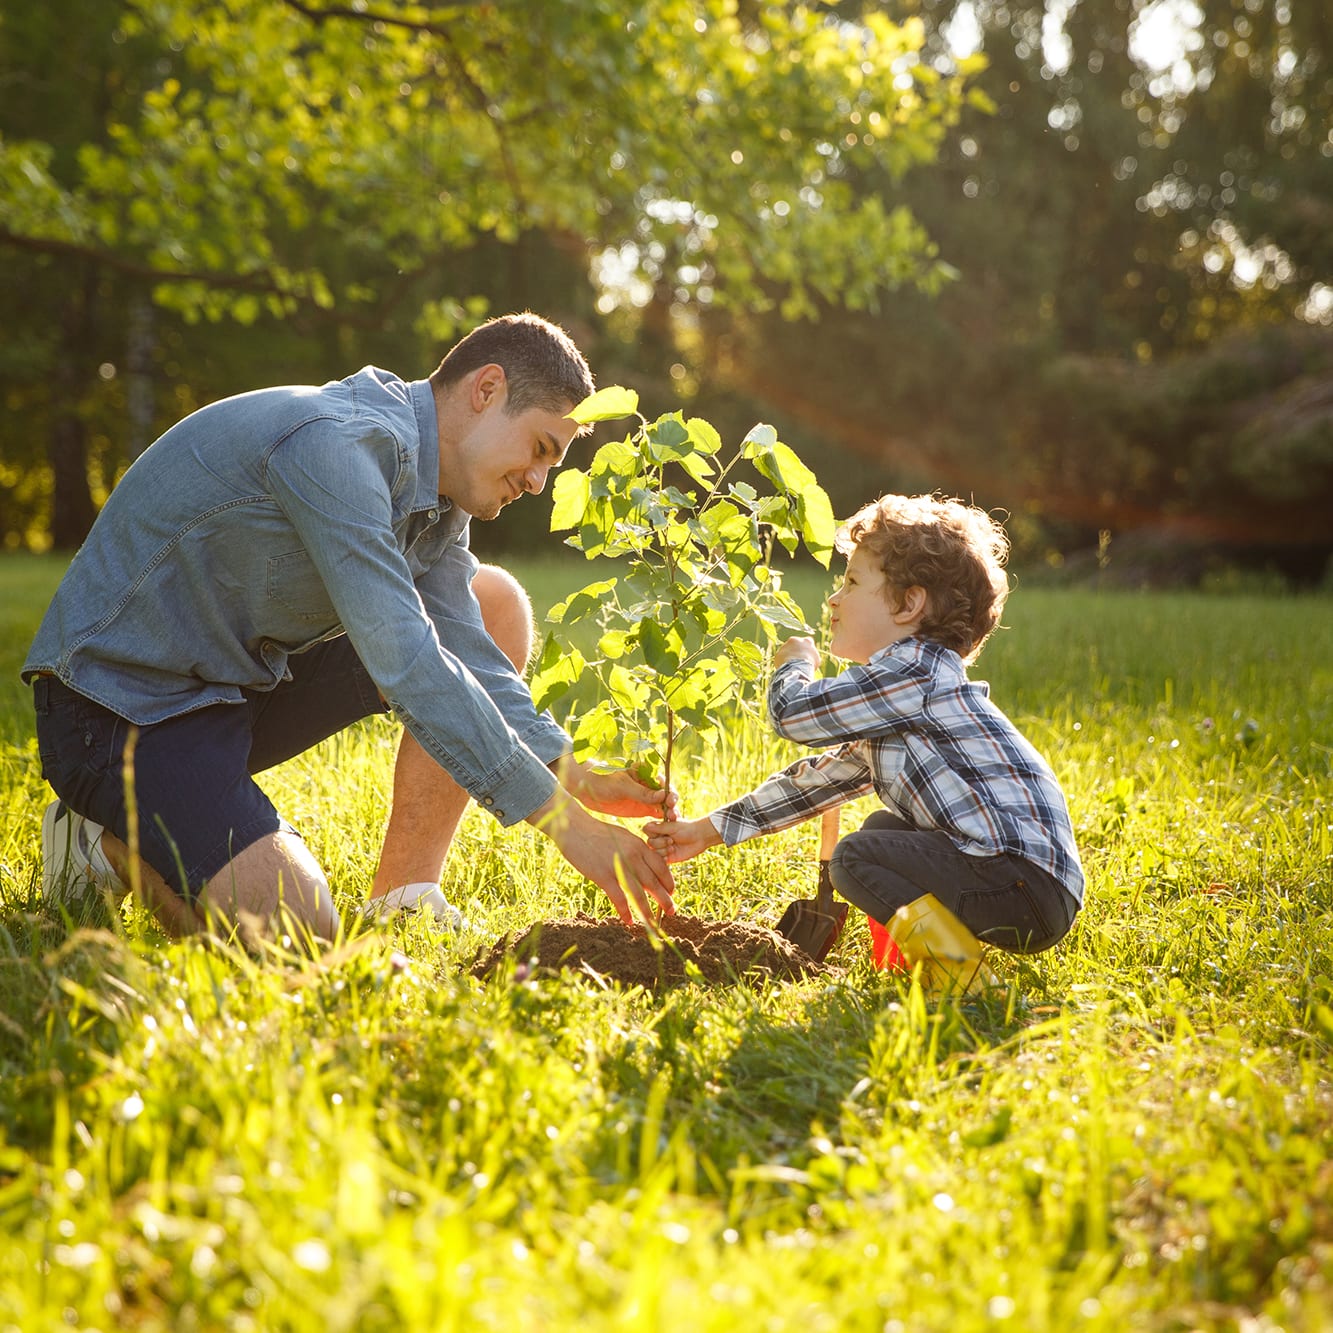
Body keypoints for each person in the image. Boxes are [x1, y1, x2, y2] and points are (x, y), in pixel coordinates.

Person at [25, 312, 675, 945]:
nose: (537, 481)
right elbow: (409, 662)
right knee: (298, 935)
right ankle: (98, 841)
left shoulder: (439, 501)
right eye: (540, 449)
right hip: (116, 709)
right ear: (486, 389)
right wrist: (566, 826)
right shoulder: (337, 446)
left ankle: (403, 898)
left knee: (491, 602)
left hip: (232, 687)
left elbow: (467, 650)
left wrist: (569, 771)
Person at [646, 493, 1084, 959]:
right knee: (881, 830)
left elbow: (791, 714)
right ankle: (910, 964)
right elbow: (815, 783)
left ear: (909, 604)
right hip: (1027, 886)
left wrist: (794, 665)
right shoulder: (905, 699)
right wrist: (706, 831)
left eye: (852, 582)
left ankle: (957, 973)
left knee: (856, 858)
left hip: (1018, 882)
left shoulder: (914, 674)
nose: (834, 598)